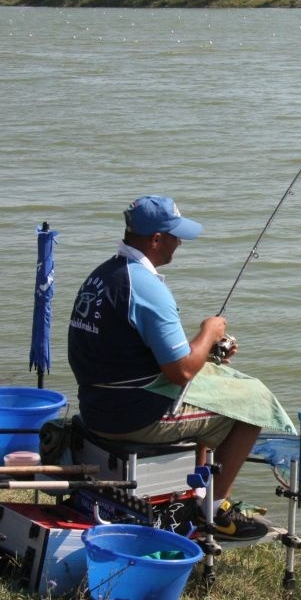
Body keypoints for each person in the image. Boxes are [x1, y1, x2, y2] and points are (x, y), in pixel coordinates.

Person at [67, 195, 269, 541]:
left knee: (212, 391)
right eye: (175, 235)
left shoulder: (103, 275)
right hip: (132, 418)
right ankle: (214, 511)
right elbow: (181, 372)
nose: (180, 243)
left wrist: (208, 353)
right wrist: (210, 332)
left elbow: (144, 354)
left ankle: (195, 494)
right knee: (253, 408)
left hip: (96, 406)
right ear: (156, 239)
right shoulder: (146, 288)